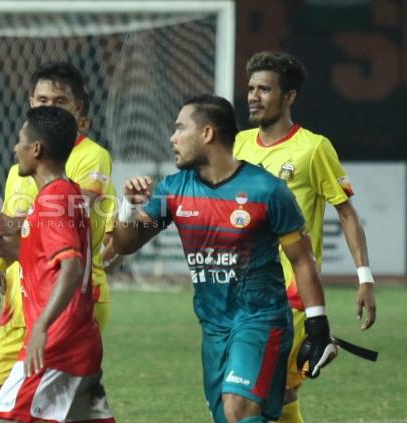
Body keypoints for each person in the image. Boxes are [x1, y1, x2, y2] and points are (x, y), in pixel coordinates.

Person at [112, 95, 336, 423]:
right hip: (214, 327)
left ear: (206, 133)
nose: (172, 138)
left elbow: (302, 260)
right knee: (232, 416)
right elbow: (126, 244)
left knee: (237, 407)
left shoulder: (266, 190)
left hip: (260, 319)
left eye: (179, 129)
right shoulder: (174, 189)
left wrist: (317, 326)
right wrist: (128, 206)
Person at [233, 51, 376, 423]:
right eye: (251, 88)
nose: (253, 96)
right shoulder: (239, 145)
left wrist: (365, 278)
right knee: (257, 394)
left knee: (272, 391)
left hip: (292, 293)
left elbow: (346, 212)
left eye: (264, 89)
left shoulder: (313, 148)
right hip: (242, 290)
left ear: (289, 96)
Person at [0, 63, 116, 422]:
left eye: (59, 100)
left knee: (8, 412)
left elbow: (68, 260)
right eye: (41, 100)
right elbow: (35, 245)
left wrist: (42, 326)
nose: (13, 148)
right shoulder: (55, 189)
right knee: (4, 402)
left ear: (36, 149)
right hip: (45, 307)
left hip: (59, 321)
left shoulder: (61, 193)